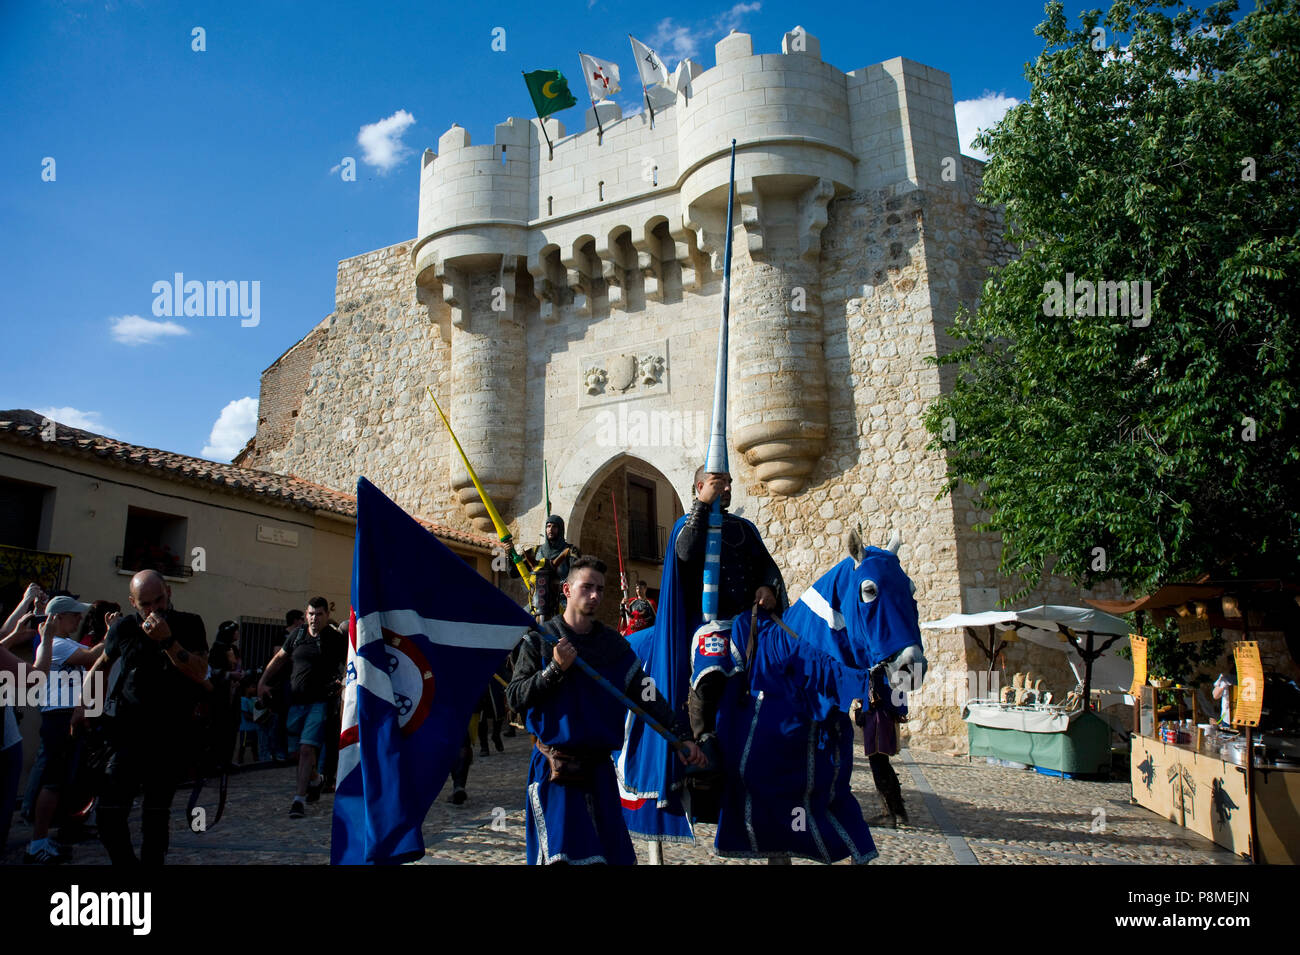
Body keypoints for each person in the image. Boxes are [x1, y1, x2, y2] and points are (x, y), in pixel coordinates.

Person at [507, 556, 706, 865]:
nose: (595, 595)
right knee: (563, 859)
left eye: (600, 589)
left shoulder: (613, 645)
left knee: (610, 858)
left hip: (599, 772)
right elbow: (515, 697)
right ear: (567, 590)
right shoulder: (540, 641)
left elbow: (647, 696)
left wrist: (680, 738)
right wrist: (554, 670)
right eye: (587, 587)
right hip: (556, 770)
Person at [76, 570, 210, 866]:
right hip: (126, 731)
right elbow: (101, 664)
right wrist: (82, 706)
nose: (153, 610)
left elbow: (200, 672)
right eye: (145, 604)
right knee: (109, 812)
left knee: (155, 816)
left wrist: (168, 642)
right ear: (133, 602)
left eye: (159, 600)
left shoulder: (189, 624)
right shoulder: (124, 627)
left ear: (169, 593)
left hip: (170, 734)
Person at [672, 467, 786, 806]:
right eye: (718, 484)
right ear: (700, 487)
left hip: (748, 621)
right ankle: (703, 741)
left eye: (729, 483)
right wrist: (701, 507)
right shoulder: (687, 527)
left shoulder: (743, 529)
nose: (727, 489)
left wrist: (768, 587)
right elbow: (685, 554)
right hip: (708, 622)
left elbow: (767, 566)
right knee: (710, 667)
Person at [24, 597, 101, 864]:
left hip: (66, 715)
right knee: (53, 781)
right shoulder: (55, 644)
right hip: (58, 716)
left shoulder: (65, 643)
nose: (78, 619)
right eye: (74, 615)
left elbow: (93, 657)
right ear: (57, 618)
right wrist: (115, 634)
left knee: (61, 781)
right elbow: (93, 656)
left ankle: (47, 836)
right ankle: (37, 842)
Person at [258, 597, 345, 817]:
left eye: (319, 614)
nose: (314, 618)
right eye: (311, 614)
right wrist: (263, 681)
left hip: (320, 703)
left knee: (307, 749)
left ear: (326, 615)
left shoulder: (335, 638)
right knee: (296, 753)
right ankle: (315, 779)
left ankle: (298, 799)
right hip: (295, 703)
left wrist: (342, 682)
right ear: (306, 615)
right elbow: (279, 658)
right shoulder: (297, 636)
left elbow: (350, 661)